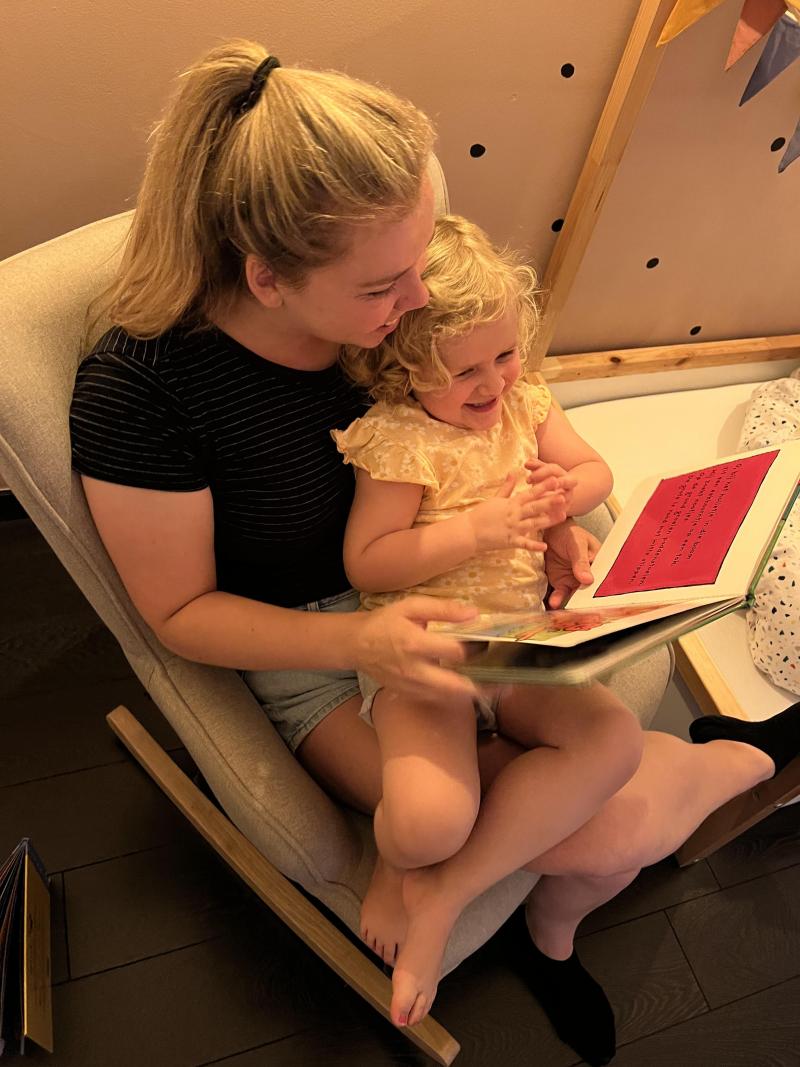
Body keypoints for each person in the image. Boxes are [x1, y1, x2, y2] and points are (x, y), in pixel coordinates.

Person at [68, 39, 800, 1067]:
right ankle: (740, 758)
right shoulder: (141, 395)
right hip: (316, 643)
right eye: (385, 284)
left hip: (475, 609)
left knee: (602, 805)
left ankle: (695, 793)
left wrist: (555, 525)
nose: (418, 302)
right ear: (267, 279)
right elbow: (177, 614)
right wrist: (364, 640)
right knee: (576, 824)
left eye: (417, 264)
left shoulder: (393, 333)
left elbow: (497, 436)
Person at [332, 214, 644, 1028]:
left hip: (518, 643)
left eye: (504, 355)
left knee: (615, 739)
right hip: (427, 652)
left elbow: (595, 468)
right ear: (404, 369)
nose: (491, 383)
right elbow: (367, 562)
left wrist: (562, 497)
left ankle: (443, 894)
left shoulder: (523, 404)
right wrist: (476, 529)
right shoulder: (399, 439)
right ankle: (399, 859)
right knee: (427, 821)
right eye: (462, 369)